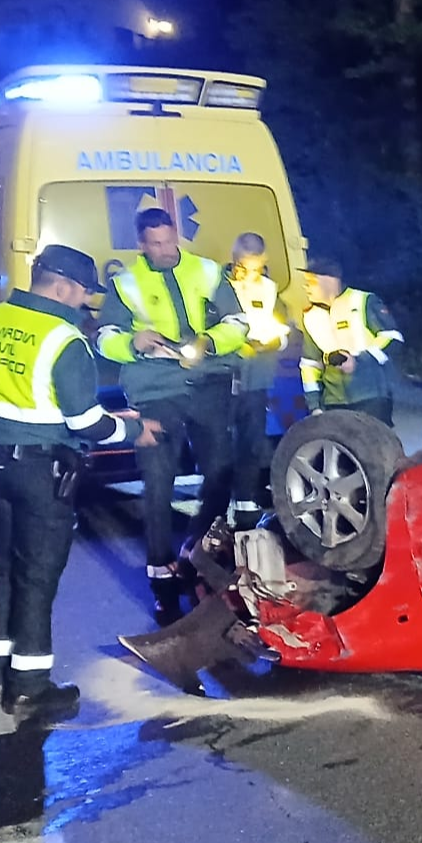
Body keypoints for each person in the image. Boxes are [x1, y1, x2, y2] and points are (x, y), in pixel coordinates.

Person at [0, 245, 159, 720]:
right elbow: (84, 421)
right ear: (62, 285)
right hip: (41, 473)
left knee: (2, 568)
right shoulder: (65, 339)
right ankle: (30, 688)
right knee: (37, 577)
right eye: (83, 293)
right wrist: (132, 430)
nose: (84, 303)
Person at [95, 207, 249, 624]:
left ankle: (198, 557)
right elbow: (104, 338)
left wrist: (209, 343)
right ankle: (163, 583)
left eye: (169, 241)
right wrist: (132, 342)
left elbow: (238, 322)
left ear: (177, 235)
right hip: (156, 391)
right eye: (156, 244)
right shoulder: (125, 283)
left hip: (207, 385)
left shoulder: (208, 272)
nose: (165, 250)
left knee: (219, 476)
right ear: (141, 244)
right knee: (158, 485)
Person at [224, 232, 291, 530]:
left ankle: (245, 502)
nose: (250, 273)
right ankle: (219, 500)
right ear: (234, 258)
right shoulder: (218, 285)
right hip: (223, 376)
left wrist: (274, 342)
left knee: (252, 440)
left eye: (256, 266)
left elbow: (284, 329)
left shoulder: (268, 288)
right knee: (220, 444)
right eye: (244, 265)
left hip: (257, 376)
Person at [298, 260, 403, 425]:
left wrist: (359, 361)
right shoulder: (311, 316)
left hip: (370, 397)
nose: (306, 288)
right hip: (334, 402)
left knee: (375, 447)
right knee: (341, 448)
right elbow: (310, 364)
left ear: (330, 281)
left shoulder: (363, 301)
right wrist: (314, 405)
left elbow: (393, 338)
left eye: (311, 282)